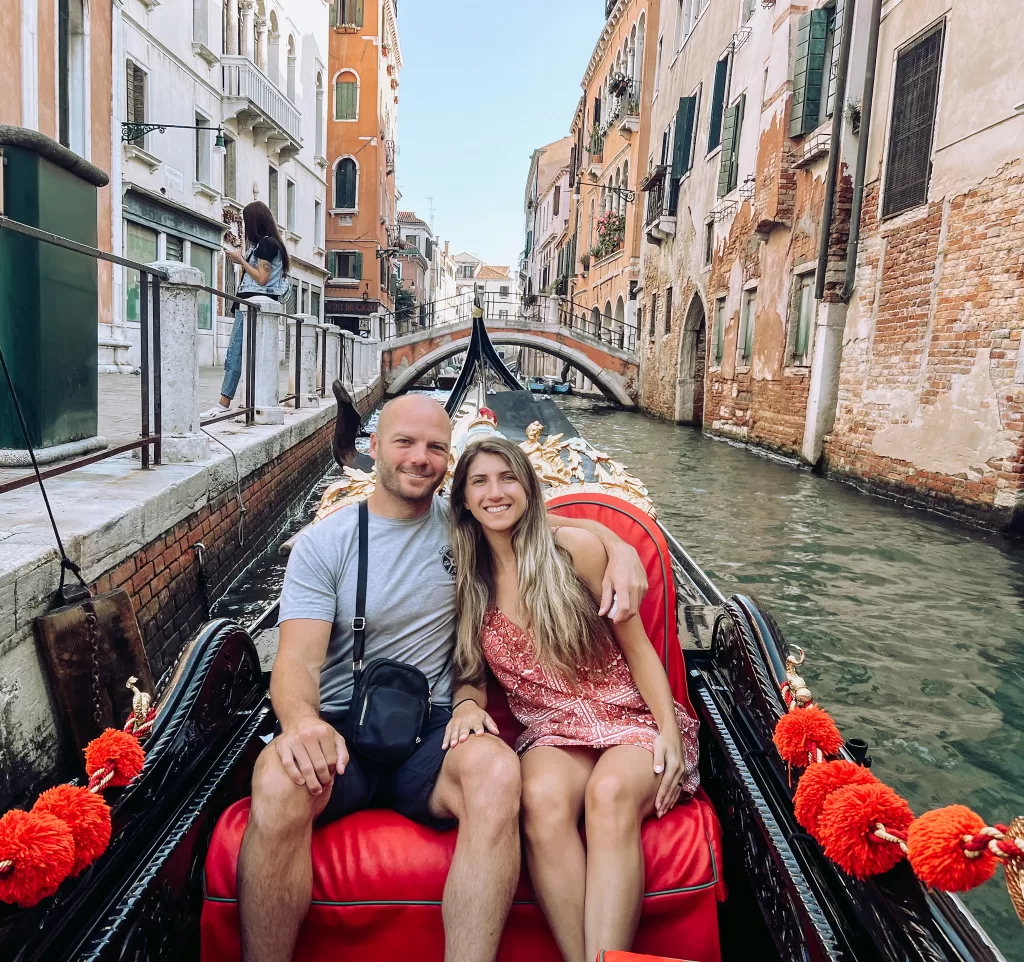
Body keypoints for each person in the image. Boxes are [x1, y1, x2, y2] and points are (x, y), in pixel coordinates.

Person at [236, 395, 649, 962]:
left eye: (435, 447)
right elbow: (297, 662)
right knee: (280, 778)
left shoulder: (464, 530)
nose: (420, 458)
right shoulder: (323, 544)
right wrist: (302, 722)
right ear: (374, 448)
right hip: (339, 727)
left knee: (498, 771)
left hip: (430, 730)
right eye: (404, 442)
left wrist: (618, 543)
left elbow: (537, 522)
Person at [447, 436, 700, 962]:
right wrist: (467, 702)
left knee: (608, 794)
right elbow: (469, 673)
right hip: (551, 731)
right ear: (464, 501)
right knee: (538, 800)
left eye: (508, 477)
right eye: (480, 482)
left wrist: (670, 734)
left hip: (629, 717)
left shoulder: (574, 552)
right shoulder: (467, 581)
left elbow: (639, 651)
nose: (496, 492)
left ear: (528, 487)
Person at [202, 201, 290, 419]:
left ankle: (224, 402)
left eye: (246, 220)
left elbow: (262, 278)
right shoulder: (265, 244)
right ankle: (244, 400)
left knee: (235, 353)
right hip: (251, 306)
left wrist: (240, 259)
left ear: (254, 222)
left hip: (252, 306)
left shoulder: (267, 244)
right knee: (245, 355)